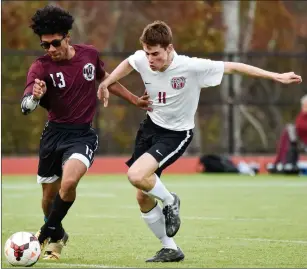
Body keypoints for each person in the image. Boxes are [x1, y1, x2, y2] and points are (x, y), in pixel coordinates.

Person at [98, 20, 302, 262]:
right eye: (147, 53)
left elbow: (234, 67)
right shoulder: (143, 58)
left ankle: (170, 200)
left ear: (169, 48)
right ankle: (170, 248)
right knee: (142, 194)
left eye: (155, 54)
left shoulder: (191, 67)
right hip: (149, 128)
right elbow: (129, 63)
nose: (150, 60)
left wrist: (276, 76)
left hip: (176, 134)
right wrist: (106, 83)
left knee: (135, 175)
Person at [21, 5, 151, 261]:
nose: (50, 49)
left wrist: (135, 99)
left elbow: (107, 80)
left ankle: (45, 234)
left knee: (68, 184)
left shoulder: (89, 54)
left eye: (55, 43)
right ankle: (57, 234)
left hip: (81, 136)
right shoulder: (40, 67)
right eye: (45, 45)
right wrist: (34, 98)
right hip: (52, 136)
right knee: (48, 198)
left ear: (67, 36)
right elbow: (26, 106)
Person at [269, 94, 307, 174]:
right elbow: (300, 127)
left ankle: (282, 162)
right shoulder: (301, 117)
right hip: (303, 143)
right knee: (288, 129)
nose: (304, 108)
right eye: (304, 105)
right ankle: (283, 162)